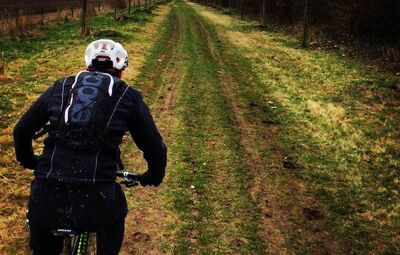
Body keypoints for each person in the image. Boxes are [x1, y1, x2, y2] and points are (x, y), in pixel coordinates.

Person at [13, 39, 167, 255]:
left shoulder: (61, 86)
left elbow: (21, 131)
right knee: (115, 214)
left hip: (45, 197)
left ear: (87, 66)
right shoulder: (127, 95)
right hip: (97, 200)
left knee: (42, 242)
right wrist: (153, 175)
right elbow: (155, 147)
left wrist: (31, 162)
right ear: (121, 71)